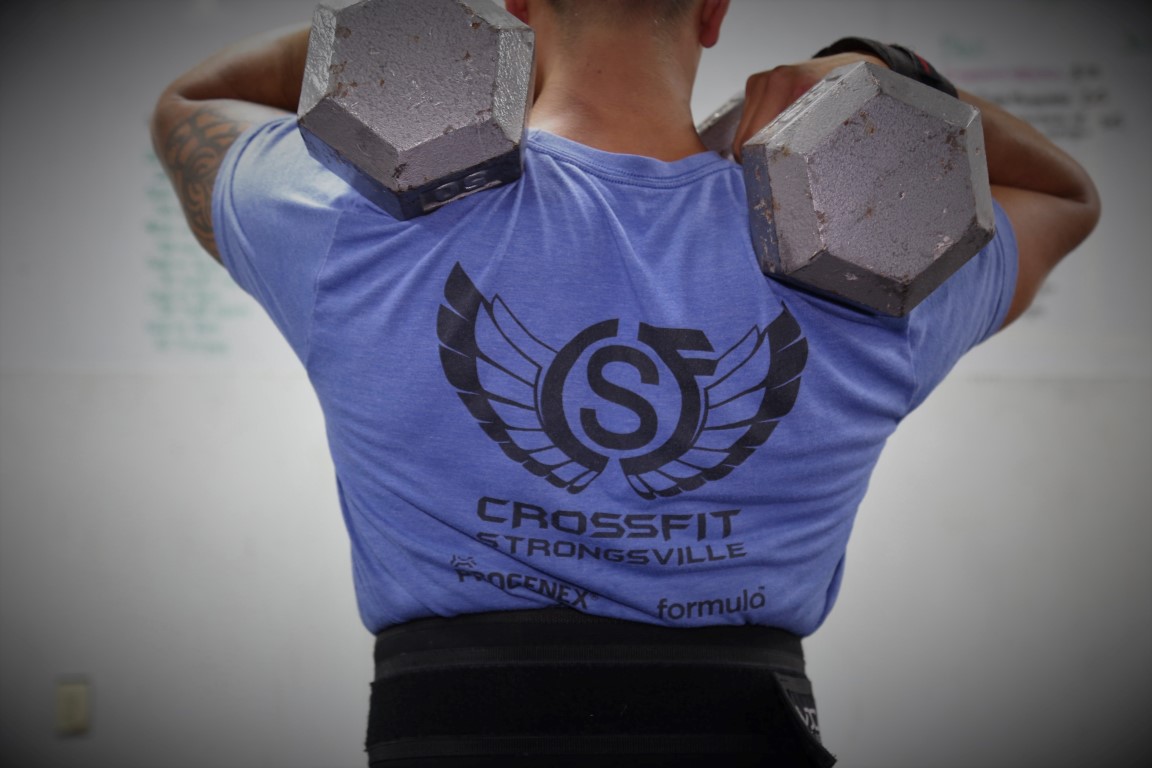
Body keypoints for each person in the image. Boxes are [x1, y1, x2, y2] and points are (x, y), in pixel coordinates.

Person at [150, 0, 1100, 765]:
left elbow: (192, 102)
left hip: (448, 734)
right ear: (714, 12)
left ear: (520, 7)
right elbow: (1066, 195)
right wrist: (889, 82)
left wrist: (406, 45)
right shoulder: (879, 257)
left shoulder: (352, 221)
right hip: (743, 736)